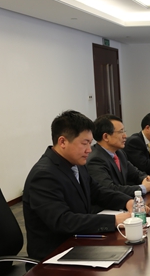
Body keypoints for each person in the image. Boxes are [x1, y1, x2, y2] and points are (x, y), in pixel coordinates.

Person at [23, 110, 134, 260]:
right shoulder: (44, 175)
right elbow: (63, 221)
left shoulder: (76, 163)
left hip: (79, 242)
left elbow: (97, 191)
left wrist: (127, 201)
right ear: (62, 142)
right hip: (55, 256)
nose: (89, 150)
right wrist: (114, 221)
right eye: (84, 143)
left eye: (90, 143)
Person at [87, 114, 150, 197]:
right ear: (106, 137)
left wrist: (147, 178)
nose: (125, 136)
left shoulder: (119, 153)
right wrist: (143, 188)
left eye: (124, 131)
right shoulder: (95, 160)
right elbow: (109, 189)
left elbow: (136, 173)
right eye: (121, 132)